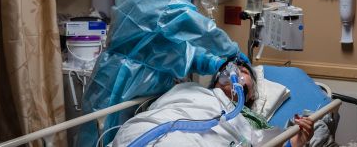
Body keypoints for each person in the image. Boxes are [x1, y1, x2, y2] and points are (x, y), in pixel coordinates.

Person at [77, 0, 248, 146]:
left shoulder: (158, 3)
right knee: (102, 136)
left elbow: (172, 52)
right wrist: (232, 51)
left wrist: (216, 63)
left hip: (140, 90)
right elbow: (202, 30)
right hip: (118, 81)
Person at [112, 60, 315, 147]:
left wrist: (297, 140)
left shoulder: (248, 118)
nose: (235, 71)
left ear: (251, 94)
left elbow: (263, 142)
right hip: (144, 131)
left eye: (244, 72)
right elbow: (161, 109)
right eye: (231, 68)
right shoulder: (191, 90)